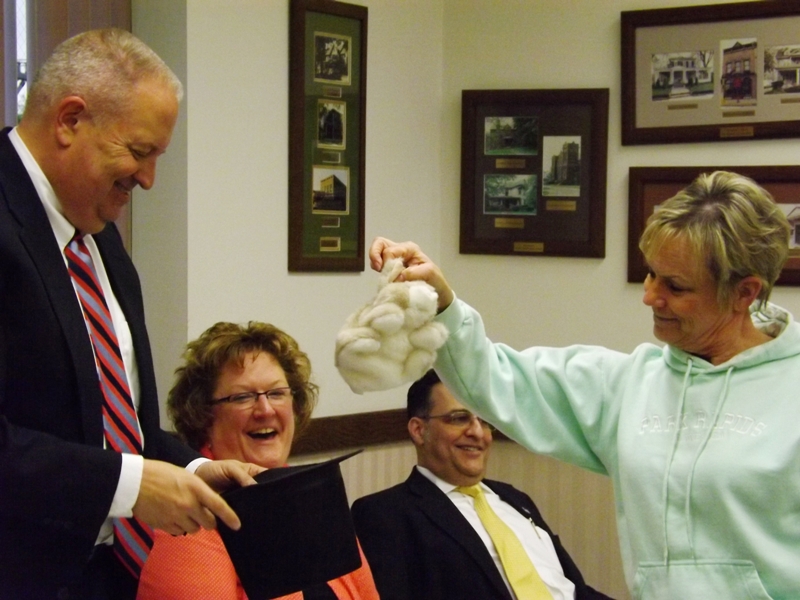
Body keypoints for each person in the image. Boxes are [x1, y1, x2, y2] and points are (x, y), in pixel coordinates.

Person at [367, 171, 800, 599]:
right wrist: (442, 302)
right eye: (651, 274)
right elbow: (495, 379)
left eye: (675, 286)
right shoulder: (630, 386)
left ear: (744, 293)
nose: (650, 296)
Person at [0, 29, 261, 600]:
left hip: (113, 575)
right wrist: (130, 485)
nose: (147, 179)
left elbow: (116, 425)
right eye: (140, 152)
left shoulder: (98, 232)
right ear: (70, 120)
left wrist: (194, 470)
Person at [137, 321, 380, 600]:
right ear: (203, 416)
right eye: (243, 397)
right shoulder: (191, 521)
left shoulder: (311, 497)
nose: (265, 410)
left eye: (276, 393)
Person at [352, 369, 612, 600]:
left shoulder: (515, 499)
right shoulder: (384, 514)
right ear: (419, 430)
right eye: (459, 418)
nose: (478, 433)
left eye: (484, 421)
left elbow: (574, 589)